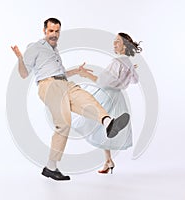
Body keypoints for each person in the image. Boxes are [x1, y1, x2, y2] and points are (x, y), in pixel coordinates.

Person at [11, 18, 130, 181]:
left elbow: (61, 73)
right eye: (51, 31)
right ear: (44, 31)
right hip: (49, 86)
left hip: (64, 83)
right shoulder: (36, 47)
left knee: (86, 99)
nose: (54, 34)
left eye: (57, 31)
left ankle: (108, 122)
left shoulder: (55, 50)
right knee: (64, 123)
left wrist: (77, 71)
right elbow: (24, 74)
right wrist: (19, 58)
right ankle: (51, 167)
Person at [75, 32, 142, 174]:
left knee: (88, 121)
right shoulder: (127, 62)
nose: (114, 44)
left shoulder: (117, 62)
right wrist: (130, 70)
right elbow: (135, 80)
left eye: (117, 41)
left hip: (108, 95)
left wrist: (85, 74)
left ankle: (107, 160)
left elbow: (103, 82)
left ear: (124, 45)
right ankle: (108, 161)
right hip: (118, 97)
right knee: (104, 127)